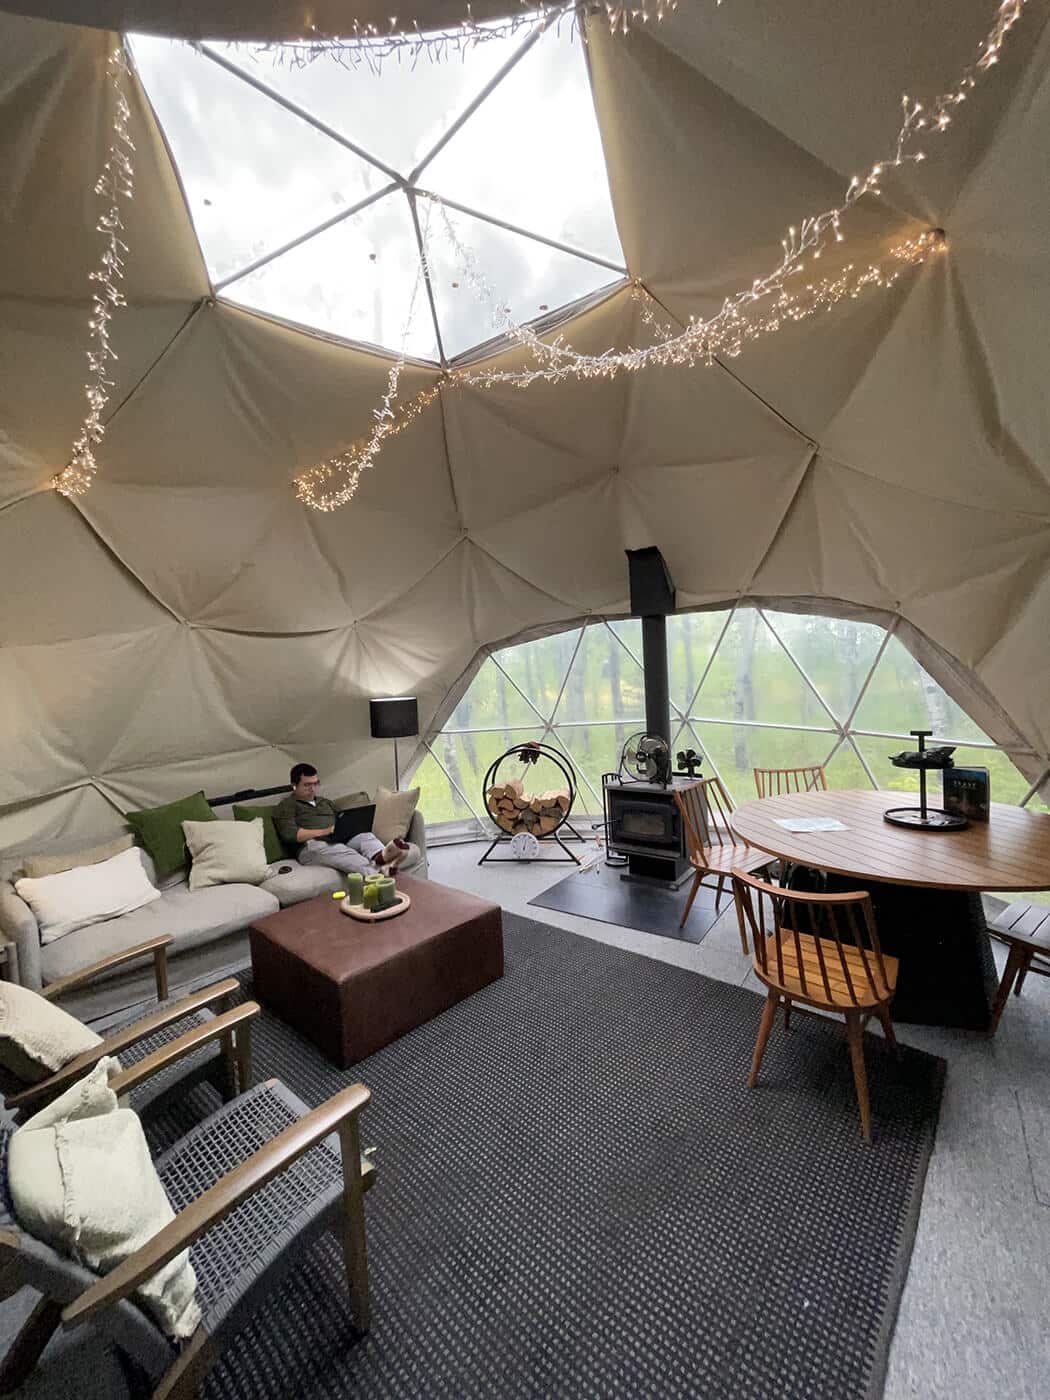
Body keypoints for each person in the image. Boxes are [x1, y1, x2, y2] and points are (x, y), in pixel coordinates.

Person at [272, 763, 411, 877]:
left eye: (315, 784)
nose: (313, 789)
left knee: (365, 836)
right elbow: (290, 835)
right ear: (294, 785)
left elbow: (342, 817)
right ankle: (379, 872)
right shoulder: (287, 806)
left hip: (337, 838)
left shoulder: (324, 802)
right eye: (307, 785)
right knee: (343, 851)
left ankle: (382, 856)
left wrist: (352, 827)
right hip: (311, 846)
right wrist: (324, 831)